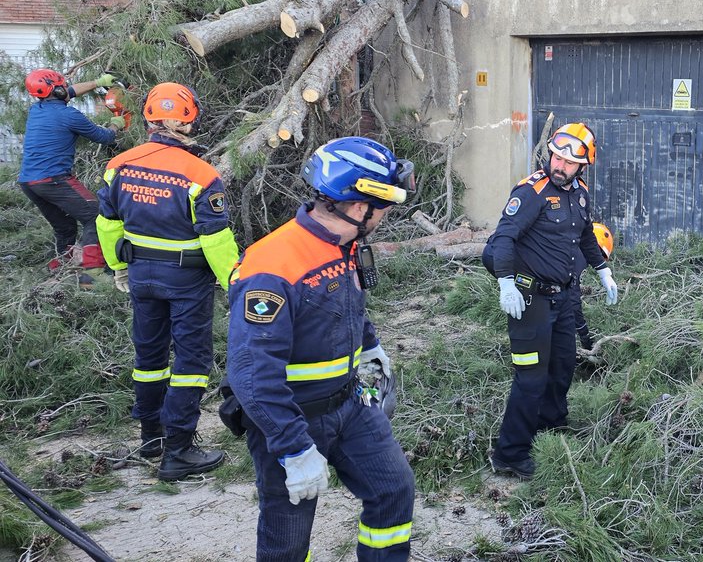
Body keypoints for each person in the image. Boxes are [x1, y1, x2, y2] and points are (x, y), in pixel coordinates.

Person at [226, 136, 417, 562]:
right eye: (383, 204)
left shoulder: (343, 245)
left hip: (349, 403)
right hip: (292, 417)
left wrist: (370, 347)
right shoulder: (273, 266)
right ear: (356, 204)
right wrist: (293, 448)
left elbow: (347, 305)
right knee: (287, 537)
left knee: (393, 489)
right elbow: (251, 374)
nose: (385, 215)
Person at [95, 82, 239, 479]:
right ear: (190, 118)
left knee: (150, 358)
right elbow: (215, 238)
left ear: (148, 116)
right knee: (191, 360)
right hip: (186, 279)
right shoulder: (200, 173)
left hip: (140, 275)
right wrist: (235, 282)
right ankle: (178, 450)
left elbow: (107, 224)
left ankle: (151, 437)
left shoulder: (119, 165)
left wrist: (117, 267)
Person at [483, 123, 620, 479]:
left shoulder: (580, 193)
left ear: (583, 165)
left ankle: (550, 427)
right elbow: (503, 238)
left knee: (561, 368)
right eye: (556, 158)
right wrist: (506, 284)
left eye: (568, 162)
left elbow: (585, 235)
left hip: (561, 300)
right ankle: (509, 454)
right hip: (528, 299)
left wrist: (603, 270)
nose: (559, 166)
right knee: (530, 378)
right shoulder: (532, 192)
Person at [19, 69, 122, 271]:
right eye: (62, 86)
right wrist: (115, 125)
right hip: (53, 180)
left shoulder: (37, 108)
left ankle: (63, 269)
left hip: (29, 182)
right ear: (57, 91)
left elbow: (71, 92)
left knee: (64, 227)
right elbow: (105, 138)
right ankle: (94, 272)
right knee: (97, 215)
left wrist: (98, 81)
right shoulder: (69, 115)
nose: (66, 88)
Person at [572, 222, 614, 351]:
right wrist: (584, 334)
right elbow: (572, 297)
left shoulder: (573, 251)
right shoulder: (578, 258)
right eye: (600, 254)